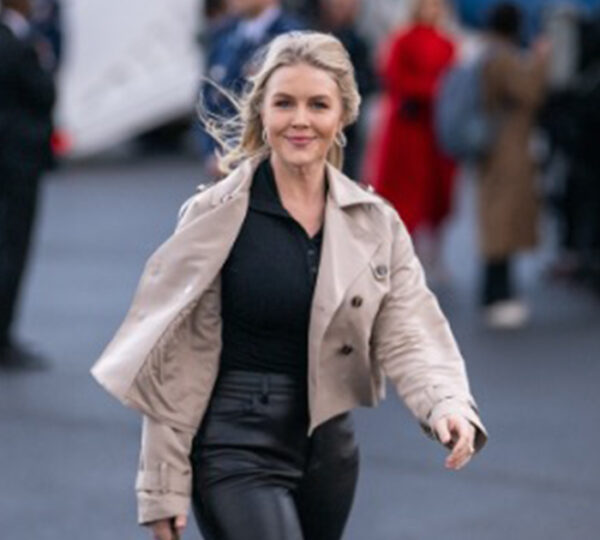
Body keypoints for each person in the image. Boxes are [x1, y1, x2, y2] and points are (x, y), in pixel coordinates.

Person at [91, 31, 487, 540]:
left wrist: (446, 403)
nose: (300, 119)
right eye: (284, 103)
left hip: (329, 450)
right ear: (262, 112)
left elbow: (409, 326)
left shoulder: (374, 222)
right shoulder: (213, 215)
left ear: (342, 115)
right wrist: (162, 487)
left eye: (318, 104)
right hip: (233, 444)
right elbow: (178, 360)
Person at [365, 0, 457, 281]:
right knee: (404, 193)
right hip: (408, 128)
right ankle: (403, 255)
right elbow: (395, 77)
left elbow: (451, 82)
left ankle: (429, 254)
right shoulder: (402, 40)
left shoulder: (445, 43)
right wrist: (431, 90)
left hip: (432, 128)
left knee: (435, 193)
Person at [477, 3, 550, 329]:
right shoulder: (504, 58)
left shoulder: (487, 53)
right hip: (507, 147)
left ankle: (495, 293)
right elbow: (529, 92)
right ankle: (498, 295)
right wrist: (541, 60)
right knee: (503, 222)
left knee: (496, 219)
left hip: (494, 147)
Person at [0, 0, 56, 368]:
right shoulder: (15, 43)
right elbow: (39, 94)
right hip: (15, 163)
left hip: (14, 160)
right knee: (11, 249)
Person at [197, 0, 305, 177]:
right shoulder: (224, 36)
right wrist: (211, 152)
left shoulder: (292, 39)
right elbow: (206, 98)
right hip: (227, 167)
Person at [316, 0, 377, 179]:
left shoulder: (359, 43)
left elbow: (369, 83)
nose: (342, 6)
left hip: (347, 127)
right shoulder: (312, 35)